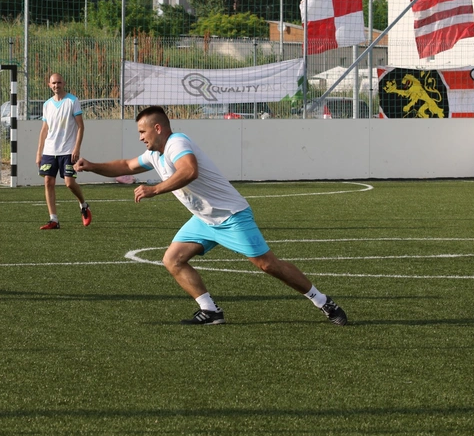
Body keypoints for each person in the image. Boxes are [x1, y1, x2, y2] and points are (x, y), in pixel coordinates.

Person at [75, 106, 347, 325]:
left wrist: (155, 189)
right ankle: (210, 310)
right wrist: (91, 166)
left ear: (158, 128)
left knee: (267, 265)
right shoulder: (154, 154)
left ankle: (323, 301)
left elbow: (189, 170)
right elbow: (125, 165)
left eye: (142, 131)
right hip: (204, 220)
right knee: (173, 260)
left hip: (231, 216)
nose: (140, 137)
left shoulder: (177, 142)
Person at [36, 73, 91, 229]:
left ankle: (83, 205)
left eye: (59, 82)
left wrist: (77, 148)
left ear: (64, 83)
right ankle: (53, 219)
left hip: (67, 150)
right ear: (49, 85)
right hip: (49, 150)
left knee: (69, 183)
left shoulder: (72, 101)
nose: (56, 85)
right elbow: (44, 130)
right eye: (53, 83)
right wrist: (39, 152)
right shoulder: (47, 104)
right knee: (48, 182)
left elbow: (80, 126)